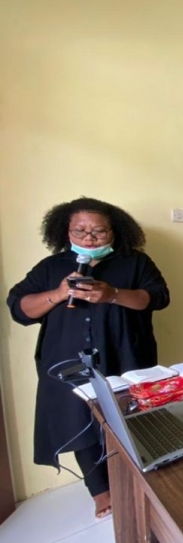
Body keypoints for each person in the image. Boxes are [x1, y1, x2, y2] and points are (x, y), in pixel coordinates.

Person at [6, 197, 170, 519]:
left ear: (114, 231)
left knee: (128, 417)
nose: (89, 238)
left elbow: (158, 298)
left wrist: (113, 295)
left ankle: (135, 480)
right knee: (77, 420)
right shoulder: (51, 266)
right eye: (79, 231)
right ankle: (100, 491)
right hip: (65, 357)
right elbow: (19, 308)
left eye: (99, 231)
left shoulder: (135, 262)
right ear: (65, 231)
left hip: (123, 353)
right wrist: (57, 294)